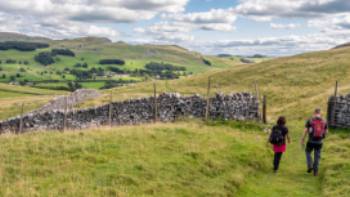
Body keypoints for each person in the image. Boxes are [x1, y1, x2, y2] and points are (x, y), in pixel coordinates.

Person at [301, 108, 328, 176]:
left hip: (311, 141)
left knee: (307, 152)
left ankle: (310, 165)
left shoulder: (310, 120)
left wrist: (302, 139)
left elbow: (305, 131)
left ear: (314, 112)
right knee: (317, 156)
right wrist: (323, 137)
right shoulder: (324, 121)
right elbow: (326, 131)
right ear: (320, 112)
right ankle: (315, 172)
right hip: (319, 142)